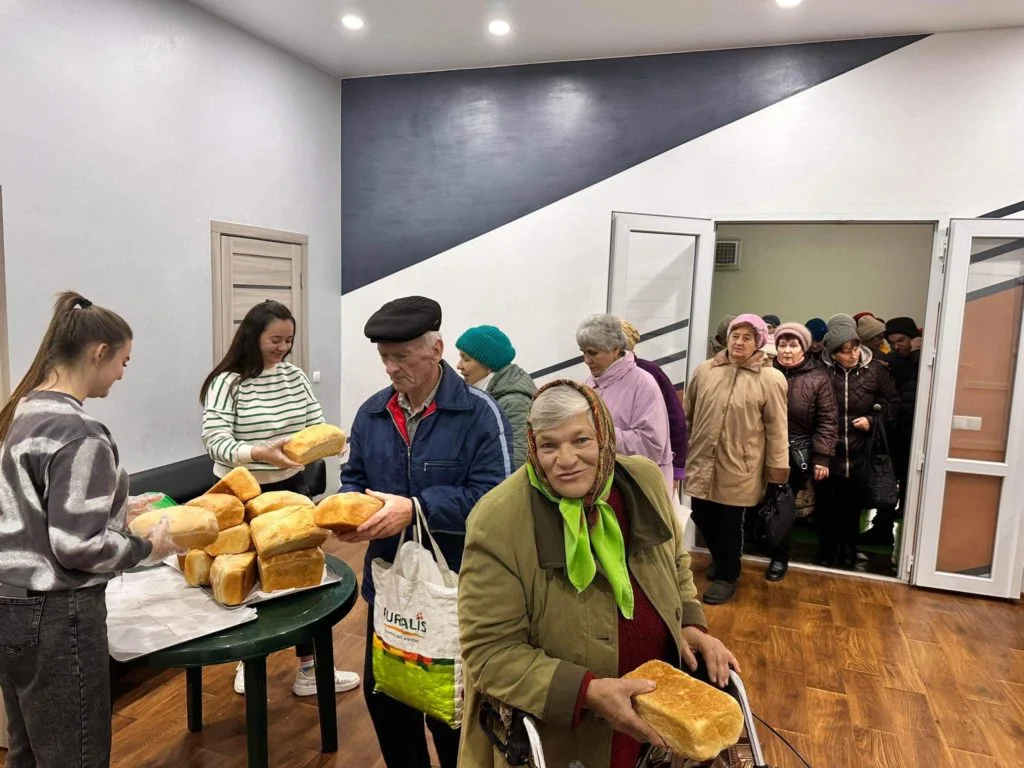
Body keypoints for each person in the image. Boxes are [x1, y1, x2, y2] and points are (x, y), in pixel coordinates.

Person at [458, 382, 739, 768]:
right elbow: (489, 652)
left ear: (604, 437)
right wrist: (586, 692)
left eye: (581, 439)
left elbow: (674, 561)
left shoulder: (642, 481)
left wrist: (689, 623)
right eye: (549, 445)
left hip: (659, 715)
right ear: (533, 448)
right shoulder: (499, 519)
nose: (566, 459)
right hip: (564, 736)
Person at [0, 292, 181, 767]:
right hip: (59, 618)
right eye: (123, 361)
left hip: (10, 604)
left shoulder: (23, 412)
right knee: (72, 756)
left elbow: (35, 512)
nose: (122, 374)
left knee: (28, 752)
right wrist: (147, 546)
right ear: (98, 353)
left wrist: (118, 506)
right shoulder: (80, 432)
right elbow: (77, 546)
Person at [338, 296, 513, 768]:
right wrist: (352, 512)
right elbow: (353, 478)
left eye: (402, 357)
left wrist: (415, 509)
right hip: (391, 589)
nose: (391, 368)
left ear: (436, 350)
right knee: (389, 701)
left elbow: (494, 499)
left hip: (456, 590)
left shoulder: (480, 414)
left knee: (451, 713)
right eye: (384, 358)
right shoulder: (372, 413)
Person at [200, 300, 358, 697]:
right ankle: (247, 660)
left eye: (288, 340)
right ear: (252, 336)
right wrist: (258, 453)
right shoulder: (228, 382)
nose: (283, 347)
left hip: (290, 488)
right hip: (242, 493)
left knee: (303, 576)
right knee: (248, 577)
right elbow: (215, 442)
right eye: (275, 339)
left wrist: (332, 442)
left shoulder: (294, 376)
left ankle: (310, 668)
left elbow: (313, 423)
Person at [684, 314, 789, 604]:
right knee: (702, 514)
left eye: (746, 337)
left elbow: (777, 429)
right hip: (703, 458)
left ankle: (728, 575)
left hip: (741, 463)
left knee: (730, 523)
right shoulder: (705, 370)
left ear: (758, 342)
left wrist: (777, 473)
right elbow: (688, 412)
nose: (738, 342)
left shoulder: (771, 378)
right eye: (734, 336)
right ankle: (721, 558)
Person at [818, 315, 900, 567]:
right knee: (826, 507)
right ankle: (825, 554)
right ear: (832, 353)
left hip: (860, 452)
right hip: (827, 450)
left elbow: (893, 403)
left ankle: (849, 553)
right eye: (844, 352)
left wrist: (872, 421)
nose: (851, 355)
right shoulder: (820, 371)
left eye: (854, 348)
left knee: (853, 508)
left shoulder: (875, 369)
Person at [768, 323, 838, 581]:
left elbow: (828, 420)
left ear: (804, 348)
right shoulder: (765, 372)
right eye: (782, 345)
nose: (787, 350)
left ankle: (779, 558)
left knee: (782, 506)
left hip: (797, 451)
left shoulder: (818, 378)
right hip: (760, 448)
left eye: (793, 345)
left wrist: (822, 457)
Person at [578, 314, 673, 491]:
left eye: (593, 353)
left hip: (638, 489)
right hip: (607, 486)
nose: (587, 360)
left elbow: (651, 445)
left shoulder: (643, 383)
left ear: (614, 349)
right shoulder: (590, 383)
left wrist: (598, 435)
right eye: (583, 352)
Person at [863, 316, 922, 546]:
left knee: (912, 483)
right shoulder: (891, 362)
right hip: (895, 433)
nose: (898, 345)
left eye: (902, 340)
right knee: (888, 481)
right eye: (894, 341)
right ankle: (882, 528)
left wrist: (918, 353)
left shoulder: (924, 360)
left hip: (916, 433)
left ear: (913, 338)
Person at [620, 320, 689, 493]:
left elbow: (676, 420)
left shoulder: (648, 373)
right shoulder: (598, 377)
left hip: (649, 469)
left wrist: (677, 469)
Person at [455, 324, 537, 469]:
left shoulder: (514, 401)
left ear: (488, 365)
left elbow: (517, 462)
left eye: (466, 359)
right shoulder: (480, 393)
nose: (459, 365)